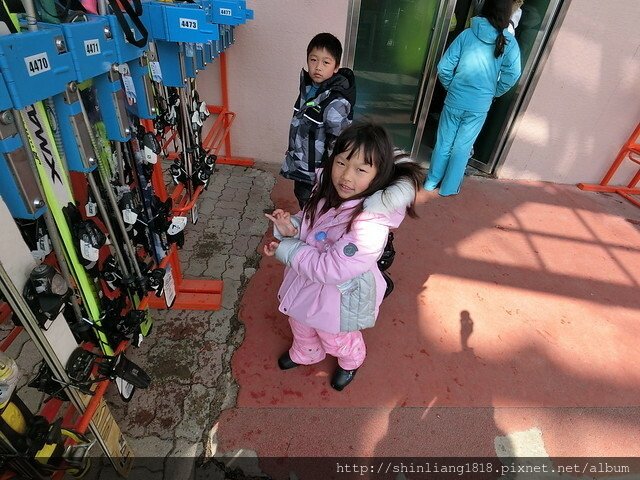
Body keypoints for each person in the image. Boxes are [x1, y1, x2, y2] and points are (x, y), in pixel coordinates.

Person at [264, 123, 424, 391]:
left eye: (361, 170)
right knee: (299, 320)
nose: (346, 177)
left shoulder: (371, 223)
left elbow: (332, 268)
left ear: (378, 176)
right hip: (306, 278)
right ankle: (306, 352)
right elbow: (310, 222)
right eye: (341, 163)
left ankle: (351, 359)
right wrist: (290, 227)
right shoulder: (327, 190)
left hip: (339, 297)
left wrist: (287, 248)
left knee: (335, 335)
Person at [424, 0, 521, 196]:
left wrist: (452, 86)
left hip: (455, 99)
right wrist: (494, 92)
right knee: (463, 146)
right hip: (479, 105)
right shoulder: (509, 42)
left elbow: (443, 68)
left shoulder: (466, 35)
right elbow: (513, 75)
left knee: (444, 142)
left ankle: (430, 183)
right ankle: (448, 188)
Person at [280, 32, 356, 209]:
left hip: (318, 173)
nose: (318, 67)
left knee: (314, 208)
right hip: (302, 166)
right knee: (303, 199)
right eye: (313, 60)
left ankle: (311, 233)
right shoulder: (309, 88)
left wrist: (333, 176)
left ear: (336, 67)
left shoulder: (335, 101)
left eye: (326, 62)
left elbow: (339, 143)